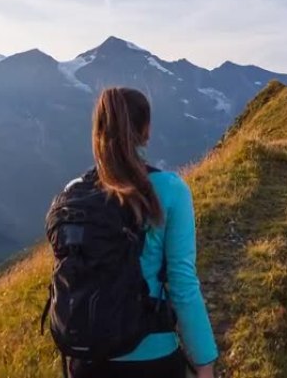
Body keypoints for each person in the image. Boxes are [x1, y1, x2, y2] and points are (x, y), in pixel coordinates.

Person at [55, 87, 218, 378]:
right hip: (152, 357)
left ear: (98, 131)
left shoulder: (73, 194)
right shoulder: (169, 190)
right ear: (146, 130)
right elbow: (182, 285)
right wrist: (205, 361)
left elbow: (70, 279)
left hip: (87, 360)